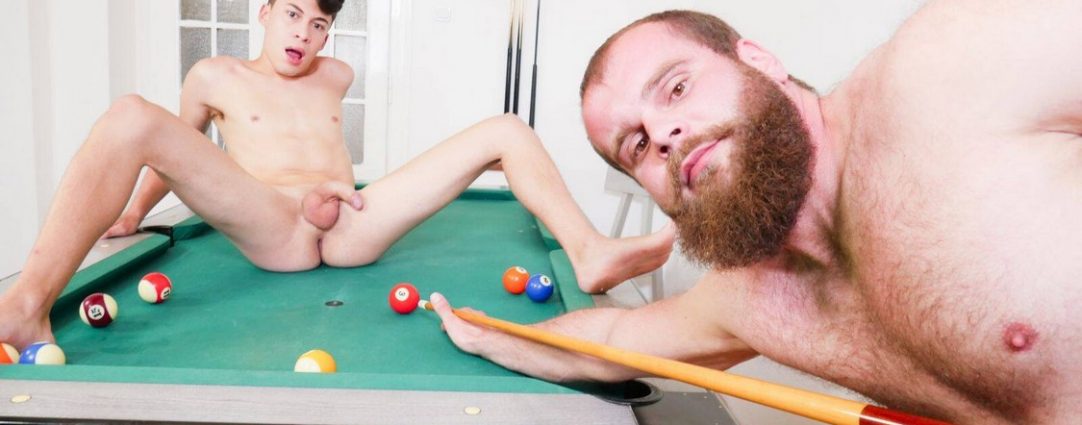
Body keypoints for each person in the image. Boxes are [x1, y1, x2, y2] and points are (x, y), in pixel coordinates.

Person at [430, 3, 1082, 424]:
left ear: (760, 61)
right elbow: (611, 343)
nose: (663, 133)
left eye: (677, 87)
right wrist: (490, 335)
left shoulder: (945, 65)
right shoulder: (750, 300)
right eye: (636, 146)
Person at [0, 0, 674, 350]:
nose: (304, 34)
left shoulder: (336, 74)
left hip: (352, 220)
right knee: (130, 116)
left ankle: (589, 252)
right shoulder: (214, 76)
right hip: (275, 225)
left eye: (319, 24)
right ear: (265, 11)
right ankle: (27, 304)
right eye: (293, 14)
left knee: (505, 128)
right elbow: (178, 151)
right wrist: (132, 214)